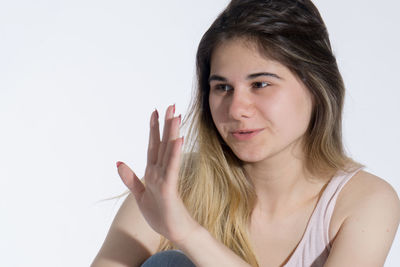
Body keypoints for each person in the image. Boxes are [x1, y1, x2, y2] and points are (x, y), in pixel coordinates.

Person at [91, 0, 400, 266]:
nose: (236, 108)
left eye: (260, 84)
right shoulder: (174, 187)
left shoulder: (363, 201)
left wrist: (187, 235)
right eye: (222, 87)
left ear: (316, 87)